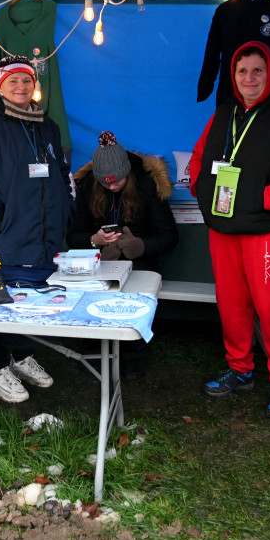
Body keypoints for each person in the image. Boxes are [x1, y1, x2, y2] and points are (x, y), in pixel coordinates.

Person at [190, 41, 270, 419]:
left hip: (267, 230)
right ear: (233, 75)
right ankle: (240, 368)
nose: (249, 78)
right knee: (231, 303)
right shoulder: (223, 112)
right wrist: (201, 187)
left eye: (257, 71)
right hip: (224, 226)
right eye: (242, 71)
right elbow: (199, 155)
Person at [0, 55, 74, 404]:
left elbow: (59, 175)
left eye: (27, 81)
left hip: (43, 237)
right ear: (0, 86)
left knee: (30, 301)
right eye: (13, 81)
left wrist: (63, 212)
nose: (21, 87)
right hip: (5, 238)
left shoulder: (47, 126)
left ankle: (21, 357)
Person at [68, 130, 179, 378]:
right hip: (100, 263)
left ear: (128, 173)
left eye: (117, 180)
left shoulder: (148, 187)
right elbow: (72, 235)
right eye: (105, 182)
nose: (112, 185)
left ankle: (133, 354)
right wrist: (93, 240)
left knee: (132, 293)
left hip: (140, 262)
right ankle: (93, 352)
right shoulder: (88, 188)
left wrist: (141, 246)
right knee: (91, 290)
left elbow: (169, 236)